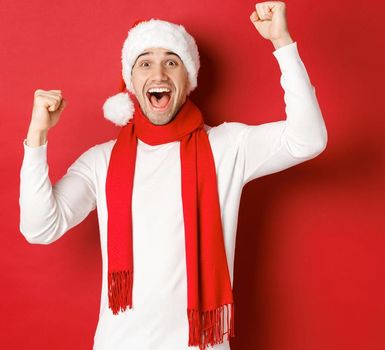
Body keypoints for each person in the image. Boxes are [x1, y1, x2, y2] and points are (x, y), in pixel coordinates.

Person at [18, 2, 327, 349]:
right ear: (132, 82)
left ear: (189, 77)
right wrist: (37, 138)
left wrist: (282, 43)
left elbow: (308, 139)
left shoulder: (226, 146)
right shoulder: (100, 162)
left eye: (171, 62)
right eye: (145, 62)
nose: (159, 74)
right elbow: (39, 227)